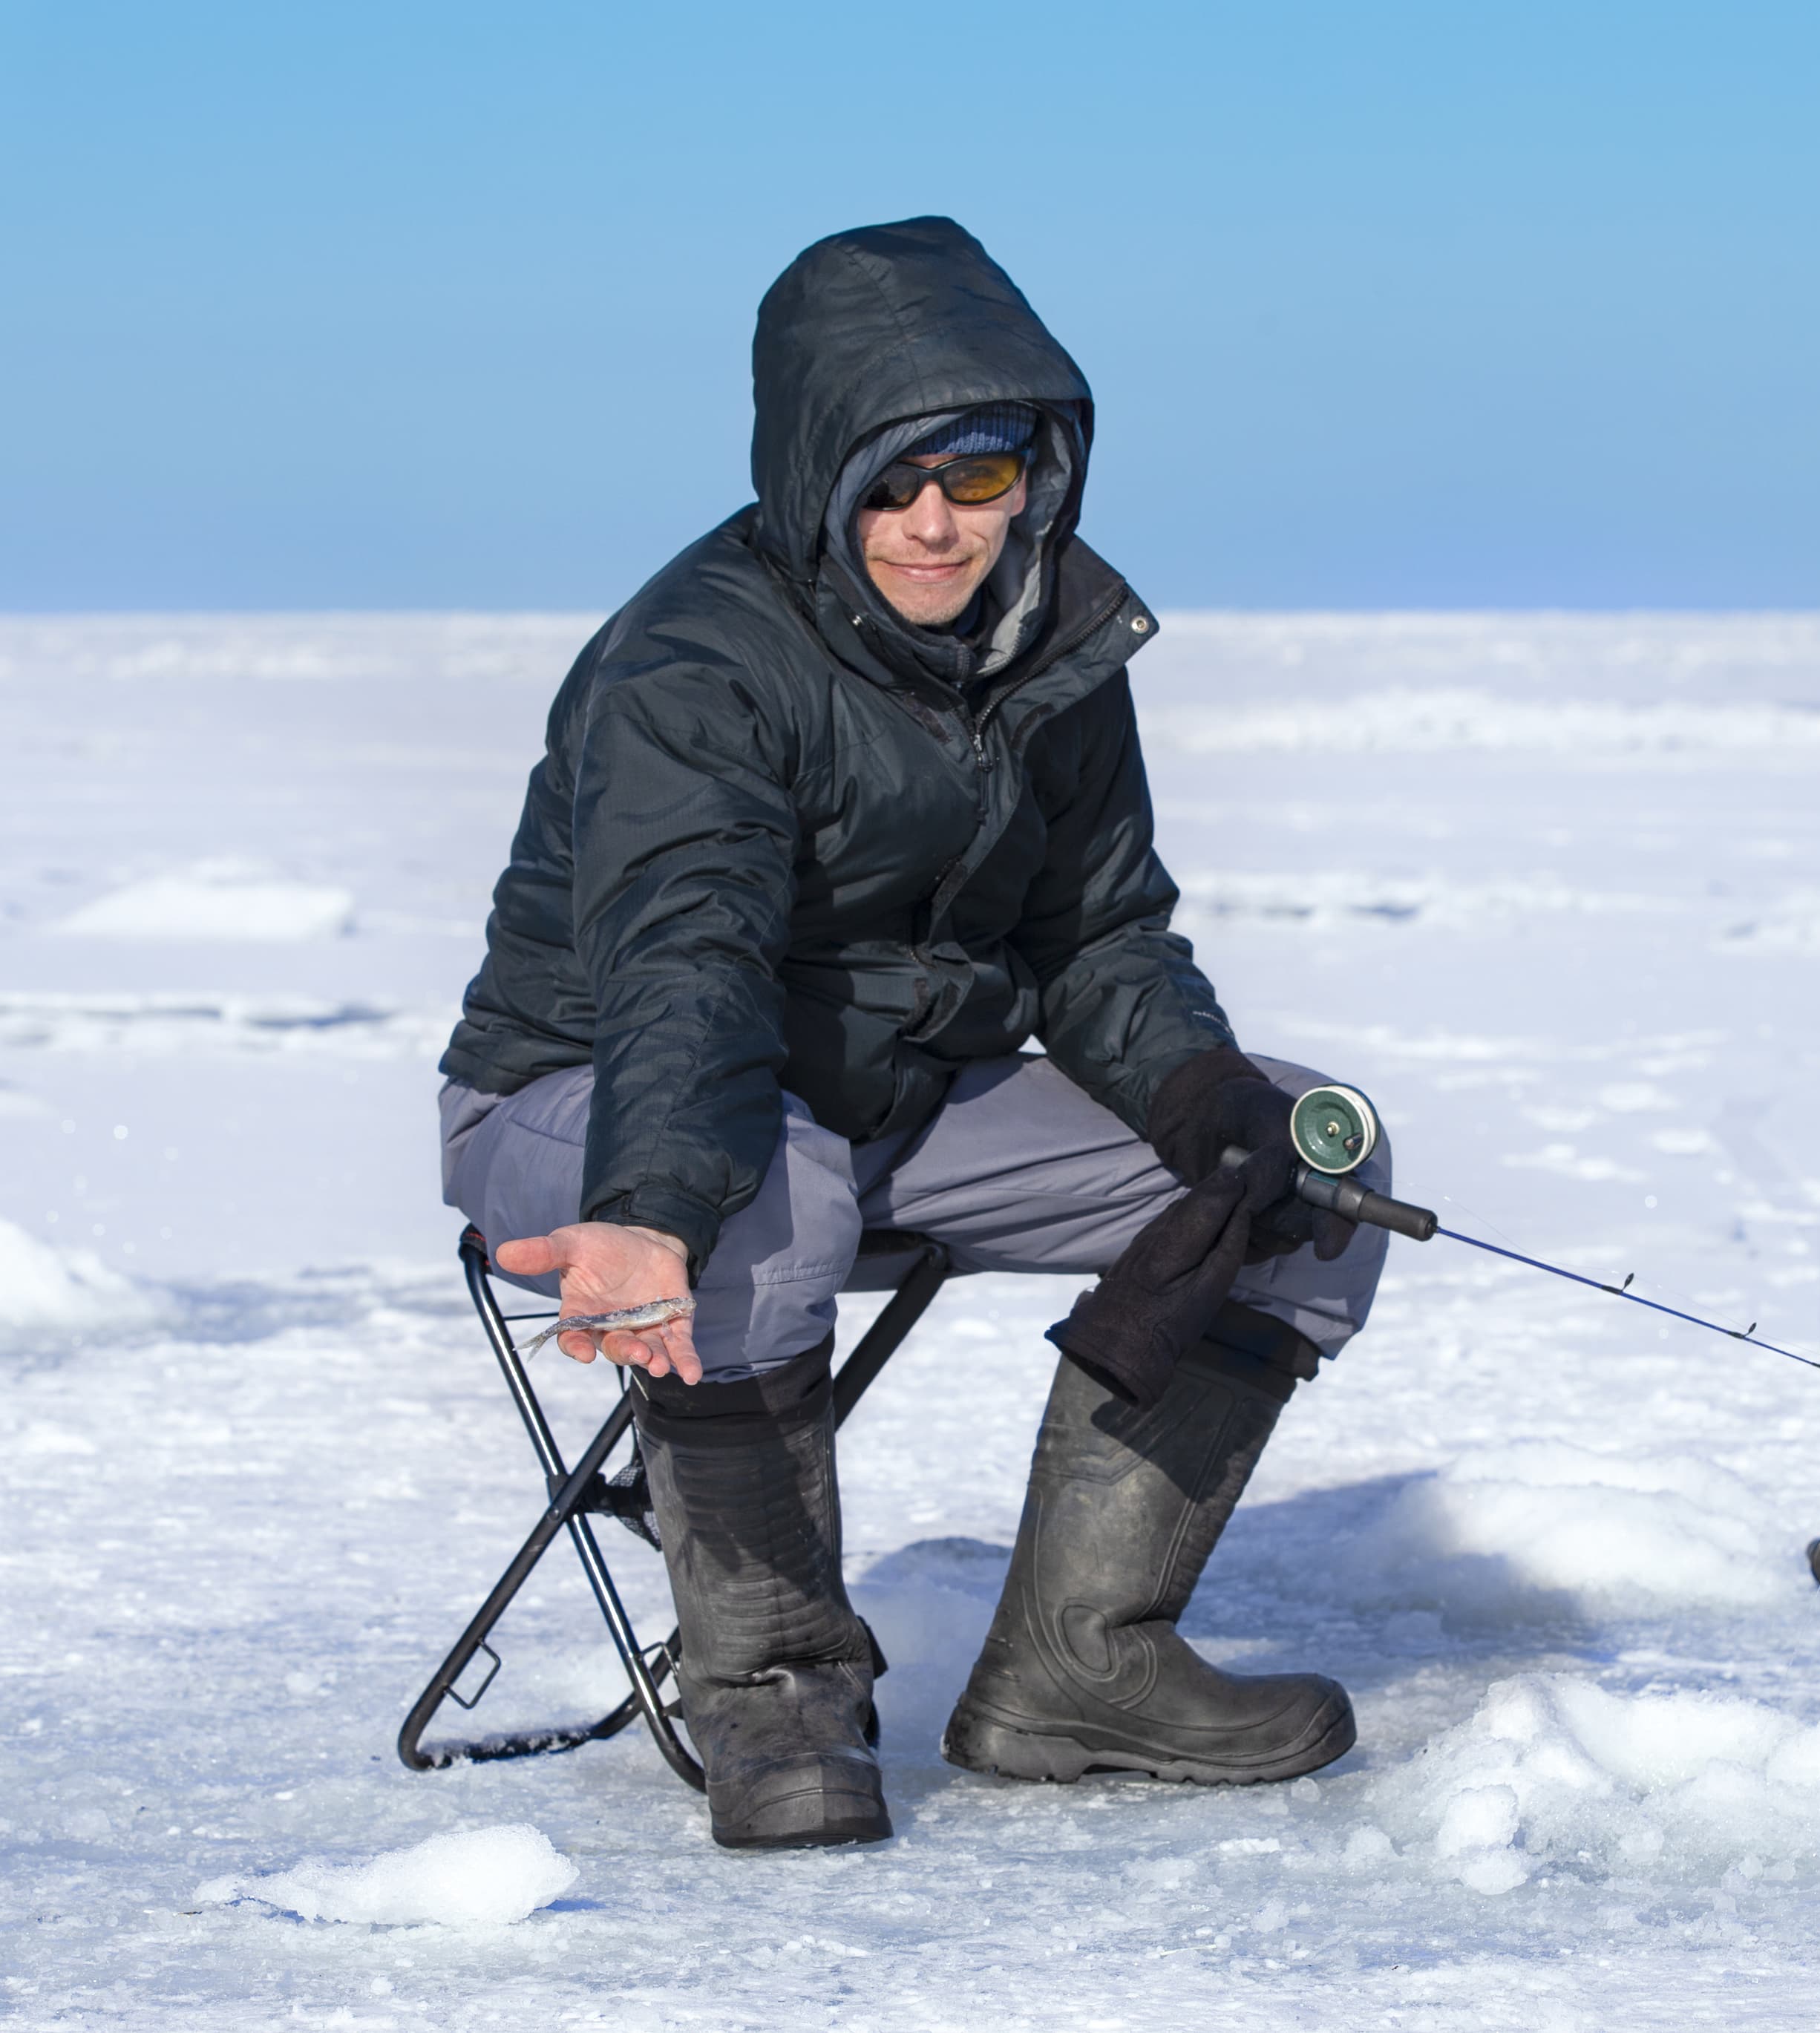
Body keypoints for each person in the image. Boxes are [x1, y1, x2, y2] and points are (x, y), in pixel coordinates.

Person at [435, 217, 1392, 1850]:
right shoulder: (693, 664)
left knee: (1307, 1167)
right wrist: (653, 1198)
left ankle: (1077, 1663)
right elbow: (689, 963)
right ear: (818, 474)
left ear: (1044, 465)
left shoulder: (1054, 646)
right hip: (596, 1110)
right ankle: (774, 1690)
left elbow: (1094, 932)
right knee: (766, 1174)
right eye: (892, 485)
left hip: (888, 1100)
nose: (938, 524)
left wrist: (1202, 1093)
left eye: (982, 470)